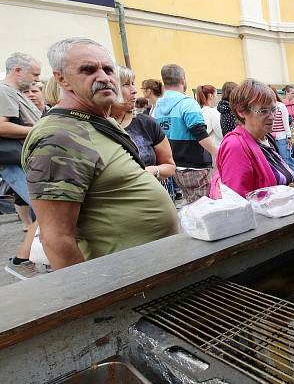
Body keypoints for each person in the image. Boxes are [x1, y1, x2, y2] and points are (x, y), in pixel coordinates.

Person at [22, 37, 178, 270]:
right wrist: (91, 299)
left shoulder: (99, 121)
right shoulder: (58, 137)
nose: (103, 77)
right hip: (121, 278)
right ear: (61, 79)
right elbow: (56, 238)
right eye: (88, 70)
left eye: (107, 69)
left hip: (151, 269)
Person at [0, 52, 42, 268]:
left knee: (45, 210)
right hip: (16, 161)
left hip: (24, 160)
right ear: (18, 70)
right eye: (34, 74)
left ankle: (31, 256)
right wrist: (39, 129)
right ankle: (23, 258)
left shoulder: (11, 92)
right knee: (48, 209)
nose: (36, 79)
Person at [210, 79, 294, 198]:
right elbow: (237, 201)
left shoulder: (267, 138)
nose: (271, 116)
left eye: (273, 109)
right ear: (241, 112)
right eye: (263, 111)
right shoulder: (235, 146)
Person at [153, 64, 217, 204]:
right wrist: (217, 153)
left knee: (191, 205)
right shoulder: (187, 103)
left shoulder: (157, 106)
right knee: (206, 208)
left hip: (175, 167)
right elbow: (199, 132)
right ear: (183, 79)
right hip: (195, 166)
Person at [111, 66, 176, 182]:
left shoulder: (146, 123)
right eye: (126, 84)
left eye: (133, 83)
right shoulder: (99, 126)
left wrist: (153, 170)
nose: (134, 90)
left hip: (152, 194)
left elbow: (170, 166)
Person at [271, 87, 294, 181]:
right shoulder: (267, 107)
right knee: (277, 161)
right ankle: (288, 179)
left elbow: (286, 123)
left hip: (282, 137)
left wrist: (289, 137)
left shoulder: (281, 106)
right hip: (271, 138)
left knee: (287, 158)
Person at [196, 84, 223, 149]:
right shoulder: (212, 112)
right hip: (216, 149)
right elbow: (221, 134)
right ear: (211, 96)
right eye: (216, 95)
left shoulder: (200, 112)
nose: (217, 98)